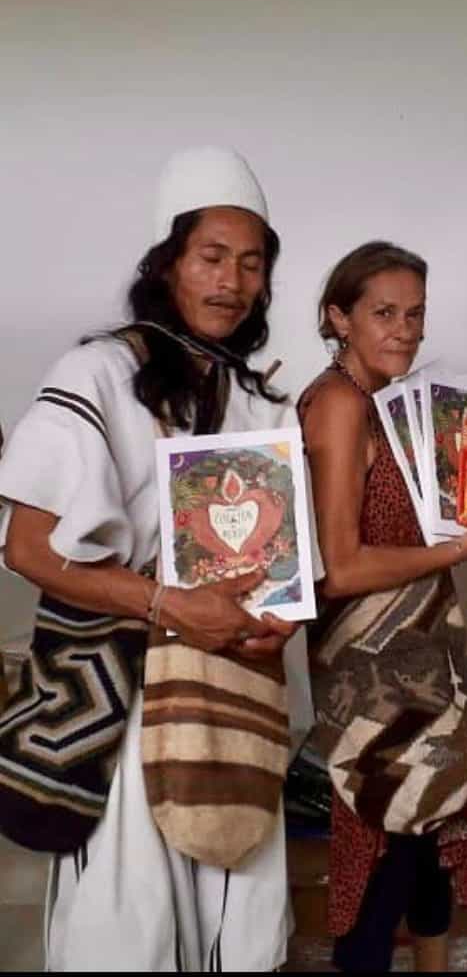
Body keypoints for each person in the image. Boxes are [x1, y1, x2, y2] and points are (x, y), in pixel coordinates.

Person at [0, 146, 298, 970]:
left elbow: (276, 559)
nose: (232, 282)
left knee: (237, 910)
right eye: (211, 257)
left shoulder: (257, 397)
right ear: (167, 263)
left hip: (231, 690)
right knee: (128, 920)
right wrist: (169, 606)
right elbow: (28, 548)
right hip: (122, 695)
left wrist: (279, 620)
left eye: (251, 264)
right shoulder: (97, 372)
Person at [298, 241, 467, 973]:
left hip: (420, 654)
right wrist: (456, 552)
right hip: (374, 671)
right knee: (388, 840)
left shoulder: (385, 399)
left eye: (415, 314)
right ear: (338, 318)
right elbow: (340, 568)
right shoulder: (340, 404)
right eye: (384, 314)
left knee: (426, 835)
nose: (405, 331)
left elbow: (416, 516)